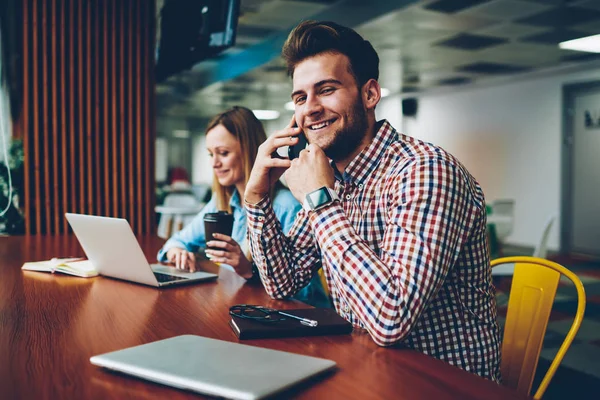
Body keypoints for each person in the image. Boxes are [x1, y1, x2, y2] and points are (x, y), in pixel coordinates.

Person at [244, 21, 501, 381]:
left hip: (441, 384)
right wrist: (256, 199)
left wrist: (320, 201)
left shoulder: (424, 171)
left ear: (370, 94)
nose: (310, 109)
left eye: (326, 90)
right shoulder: (334, 177)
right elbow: (281, 282)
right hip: (367, 368)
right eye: (300, 98)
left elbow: (391, 319)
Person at [157, 106, 330, 308]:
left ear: (249, 151)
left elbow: (301, 293)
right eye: (211, 154)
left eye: (223, 153)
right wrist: (176, 251)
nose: (215, 164)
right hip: (241, 307)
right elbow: (177, 241)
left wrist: (249, 270)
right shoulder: (222, 201)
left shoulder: (286, 206)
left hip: (296, 323)